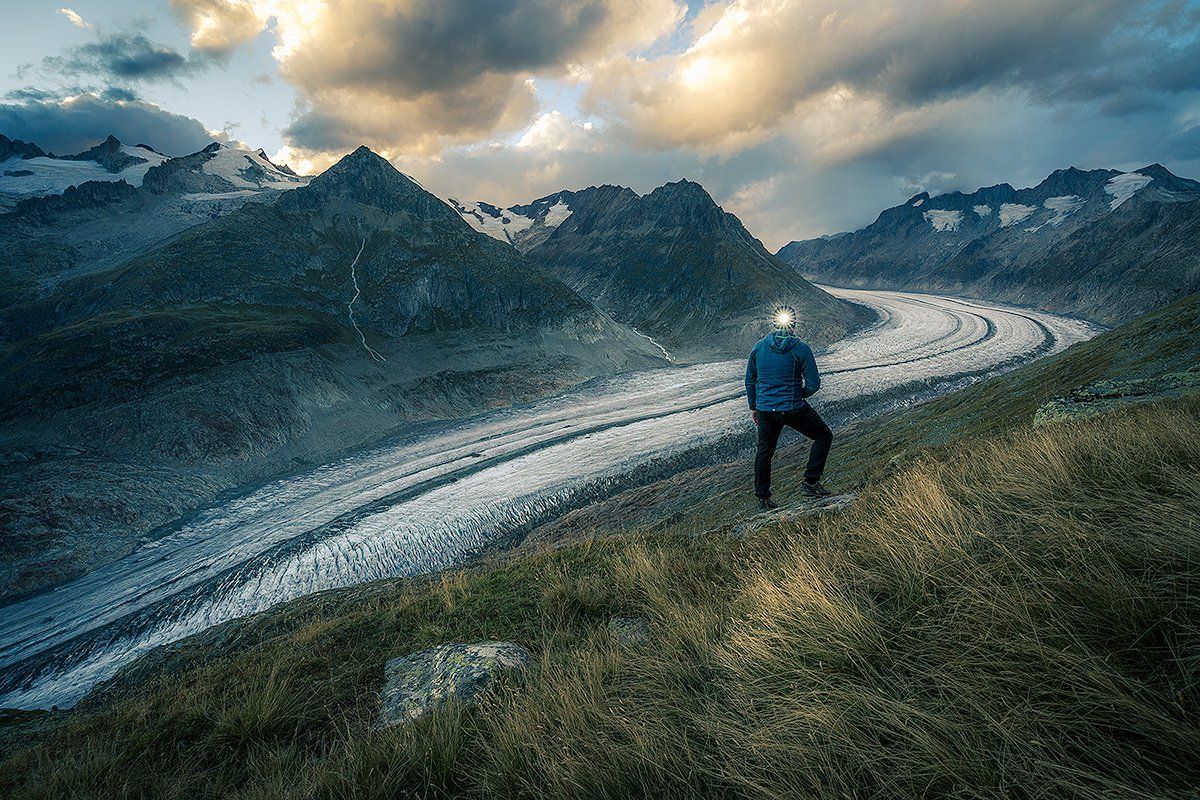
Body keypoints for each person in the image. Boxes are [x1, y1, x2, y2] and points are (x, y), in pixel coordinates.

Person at [745, 305, 834, 510]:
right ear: (794, 323)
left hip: (766, 410)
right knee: (823, 436)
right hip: (793, 408)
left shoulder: (759, 347)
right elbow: (813, 384)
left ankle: (763, 498)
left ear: (773, 323)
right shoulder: (801, 349)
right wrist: (797, 393)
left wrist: (754, 406)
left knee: (764, 452)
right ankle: (810, 483)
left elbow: (750, 380)